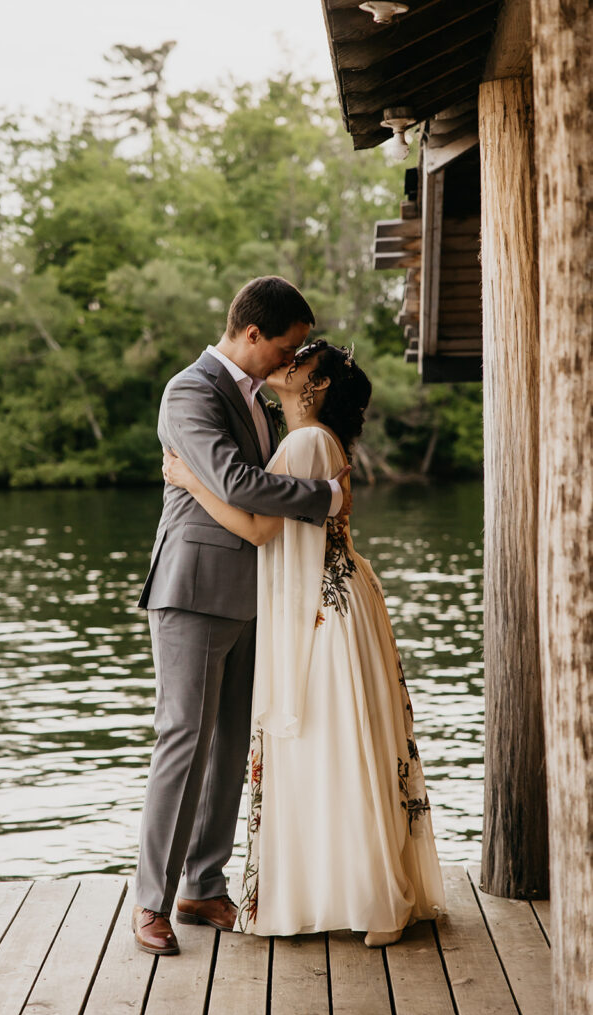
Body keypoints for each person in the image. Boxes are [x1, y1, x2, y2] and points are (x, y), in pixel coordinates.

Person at [164, 339, 446, 945]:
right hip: (344, 602)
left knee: (329, 745)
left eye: (300, 361)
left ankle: (349, 892)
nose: (287, 365)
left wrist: (192, 480)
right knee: (346, 743)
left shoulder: (303, 441)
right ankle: (359, 889)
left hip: (324, 611)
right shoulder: (314, 440)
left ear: (314, 385)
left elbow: (260, 528)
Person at [133, 278, 351, 955]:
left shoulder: (256, 397)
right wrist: (328, 494)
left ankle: (203, 884)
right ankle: (150, 902)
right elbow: (234, 483)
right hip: (194, 591)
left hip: (256, 593)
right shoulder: (190, 391)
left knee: (231, 746)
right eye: (284, 346)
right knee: (183, 740)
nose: (291, 361)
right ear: (251, 334)